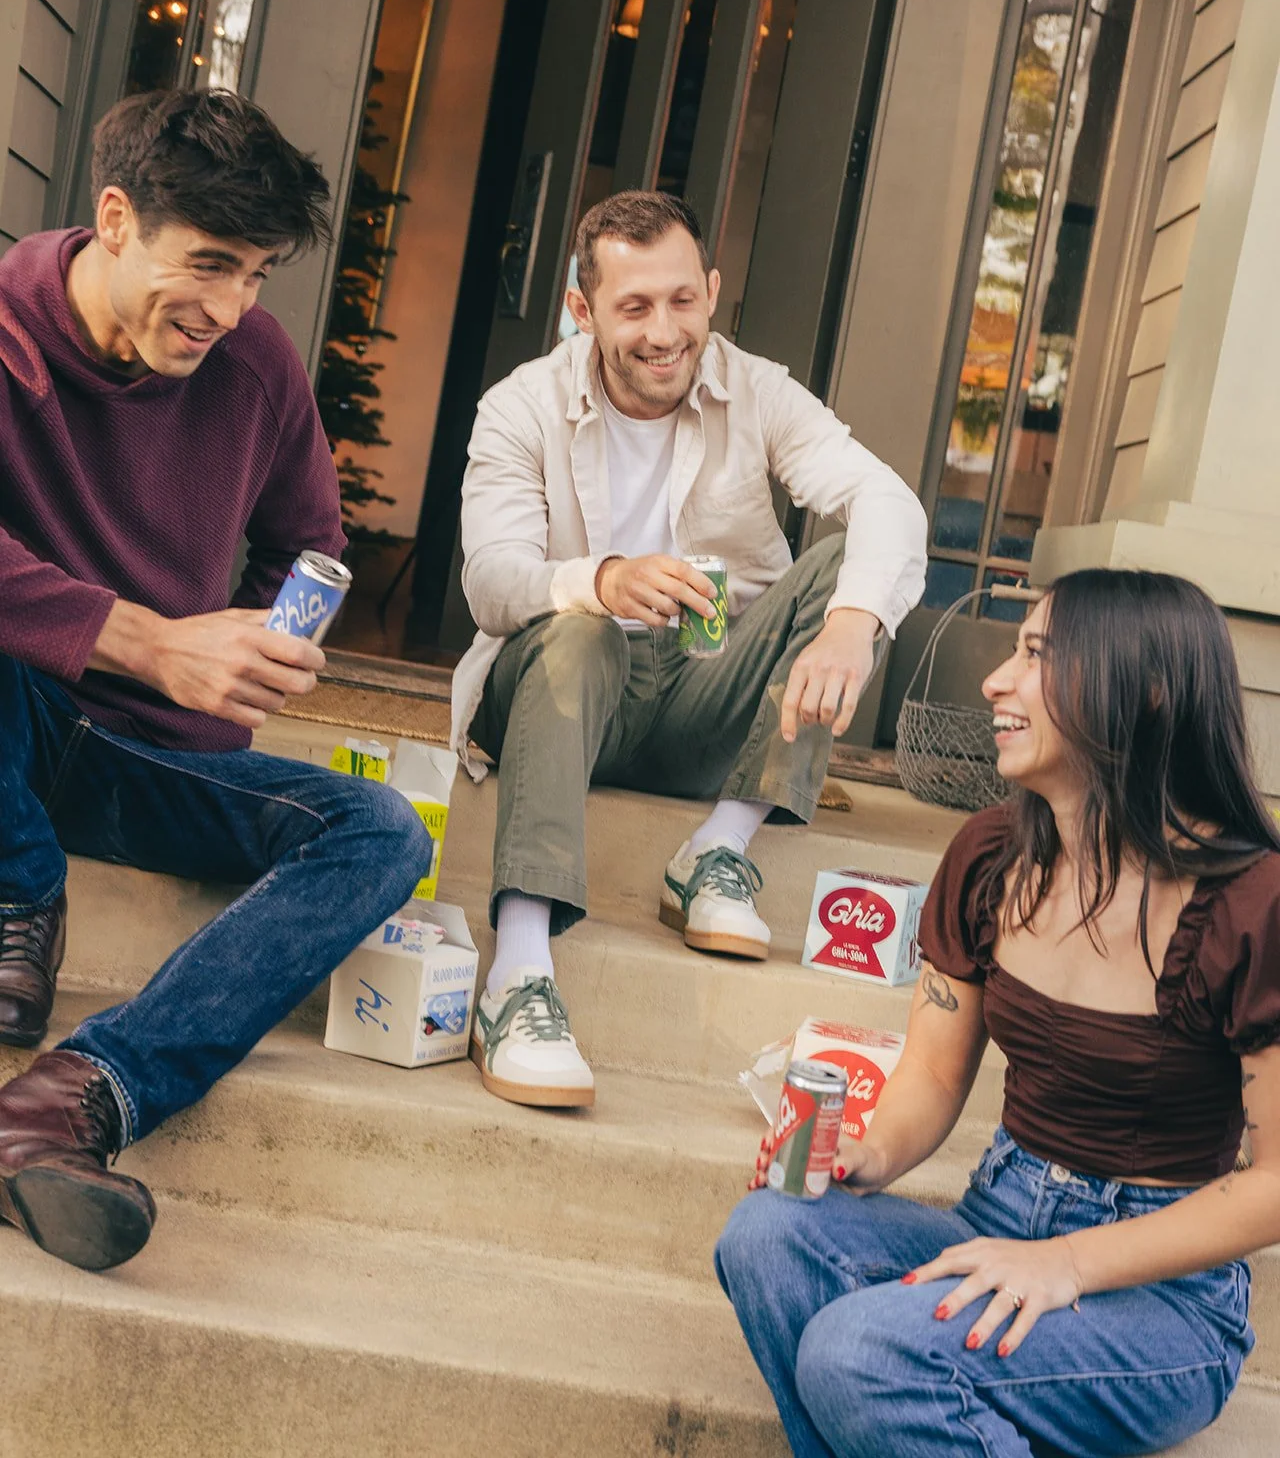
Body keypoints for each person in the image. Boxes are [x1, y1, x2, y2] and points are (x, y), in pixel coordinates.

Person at [0, 90, 432, 1273]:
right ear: (115, 218)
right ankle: (17, 898)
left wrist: (276, 635)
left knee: (382, 831)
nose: (229, 309)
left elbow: (312, 542)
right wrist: (146, 638)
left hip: (157, 753)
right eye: (207, 266)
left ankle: (71, 1100)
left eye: (256, 274)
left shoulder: (254, 363)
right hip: (16, 727)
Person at [716, 568, 1280, 1458]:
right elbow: (934, 1074)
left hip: (1160, 1298)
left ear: (1146, 691)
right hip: (998, 1218)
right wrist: (871, 1150)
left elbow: (1276, 1182)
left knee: (861, 1350)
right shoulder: (991, 855)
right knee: (768, 1233)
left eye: (1037, 656)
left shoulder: (1253, 904)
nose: (995, 681)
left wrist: (1065, 1264)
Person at [452, 189, 927, 1109]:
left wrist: (852, 625)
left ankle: (720, 847)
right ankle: (517, 970)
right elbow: (492, 579)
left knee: (845, 573)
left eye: (681, 301)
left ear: (711, 291)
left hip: (705, 692)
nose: (664, 332)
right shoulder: (521, 406)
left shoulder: (758, 391)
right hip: (565, 693)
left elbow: (887, 502)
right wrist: (602, 580)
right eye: (633, 308)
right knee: (577, 631)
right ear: (583, 311)